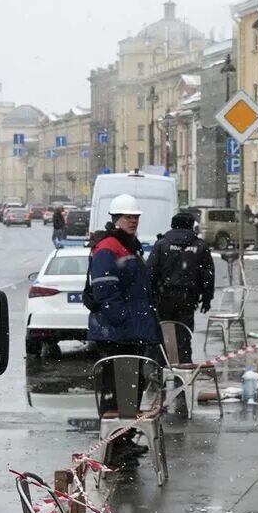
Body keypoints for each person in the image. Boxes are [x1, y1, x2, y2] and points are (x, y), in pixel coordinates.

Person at [86, 195, 160, 466]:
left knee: (131, 388)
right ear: (116, 218)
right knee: (116, 391)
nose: (133, 221)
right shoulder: (109, 247)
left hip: (129, 331)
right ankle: (114, 445)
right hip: (117, 333)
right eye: (128, 217)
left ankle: (124, 439)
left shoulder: (127, 246)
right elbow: (105, 288)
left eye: (136, 217)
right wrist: (122, 320)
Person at [148, 210, 215, 362]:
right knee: (184, 336)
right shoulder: (200, 246)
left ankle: (161, 370)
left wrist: (153, 294)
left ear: (173, 225)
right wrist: (206, 298)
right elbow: (208, 275)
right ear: (191, 226)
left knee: (163, 334)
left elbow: (151, 271)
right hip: (188, 298)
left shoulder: (162, 244)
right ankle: (183, 372)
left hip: (164, 296)